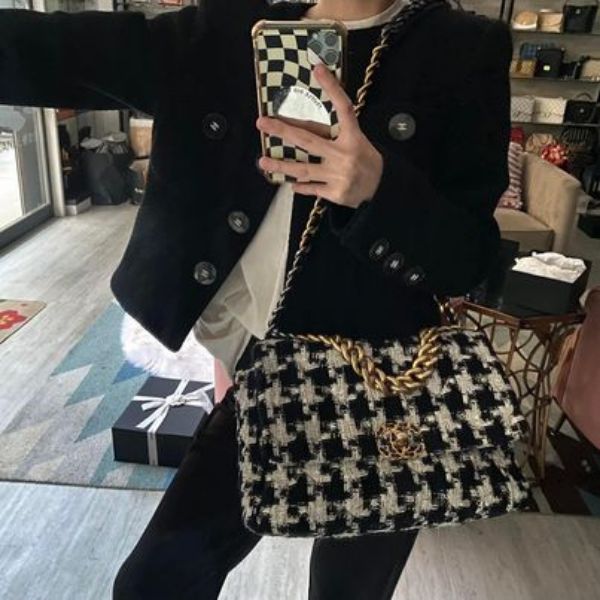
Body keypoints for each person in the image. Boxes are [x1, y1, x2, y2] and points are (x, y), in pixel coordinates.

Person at [0, 0, 513, 598]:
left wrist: (378, 189)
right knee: (156, 580)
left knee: (348, 592)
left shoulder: (463, 47)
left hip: (387, 383)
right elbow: (50, 51)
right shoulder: (224, 33)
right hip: (265, 372)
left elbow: (469, 260)